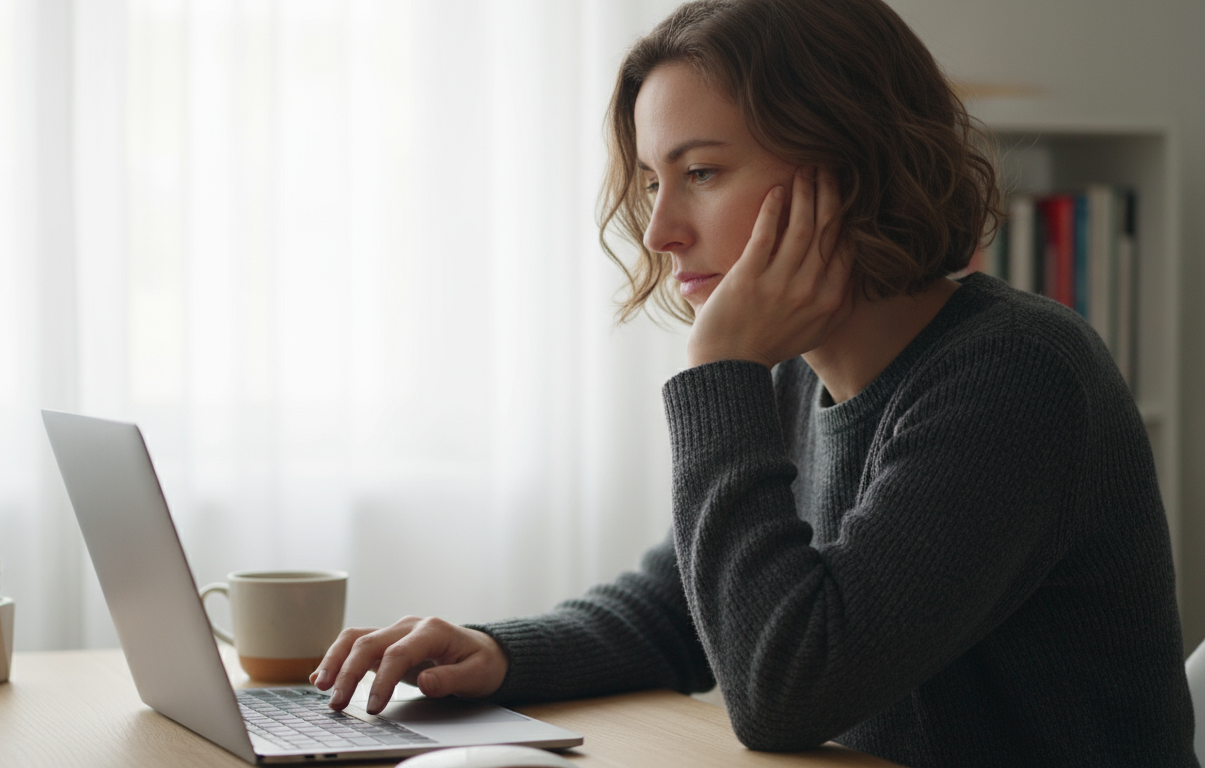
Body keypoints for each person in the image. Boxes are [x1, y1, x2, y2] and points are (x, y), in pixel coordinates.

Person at [308, 1, 1198, 766]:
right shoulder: (793, 379)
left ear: (849, 168)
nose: (659, 230)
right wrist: (496, 652)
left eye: (700, 173)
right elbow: (682, 610)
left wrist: (719, 373)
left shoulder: (1017, 375)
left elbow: (785, 688)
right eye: (654, 181)